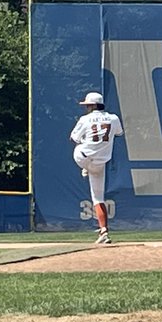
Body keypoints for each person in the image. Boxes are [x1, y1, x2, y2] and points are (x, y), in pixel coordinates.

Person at [70, 91, 123, 244]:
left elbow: (73, 138)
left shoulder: (85, 119)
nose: (86, 108)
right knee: (98, 198)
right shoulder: (113, 118)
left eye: (88, 105)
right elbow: (119, 133)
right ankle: (104, 231)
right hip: (101, 163)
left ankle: (86, 166)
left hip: (83, 157)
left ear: (93, 105)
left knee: (78, 148)